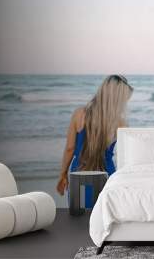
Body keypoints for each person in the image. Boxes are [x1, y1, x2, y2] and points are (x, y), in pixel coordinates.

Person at [56, 75, 133, 208]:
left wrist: (63, 174)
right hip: (106, 176)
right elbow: (127, 158)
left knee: (78, 220)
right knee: (103, 218)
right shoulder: (121, 123)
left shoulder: (79, 114)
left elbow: (70, 148)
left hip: (78, 174)